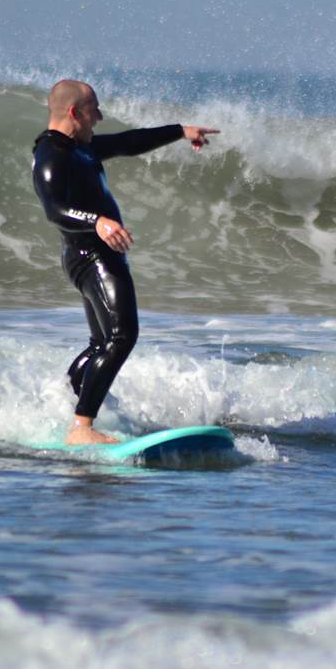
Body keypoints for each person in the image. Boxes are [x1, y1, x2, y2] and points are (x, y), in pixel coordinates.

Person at [32, 79, 218, 445]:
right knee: (121, 336)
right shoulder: (52, 154)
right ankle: (81, 427)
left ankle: (70, 402)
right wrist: (96, 221)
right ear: (74, 112)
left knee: (103, 342)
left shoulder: (78, 147)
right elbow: (54, 209)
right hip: (91, 256)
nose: (99, 116)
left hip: (97, 255)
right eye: (94, 110)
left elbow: (128, 143)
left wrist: (180, 131)